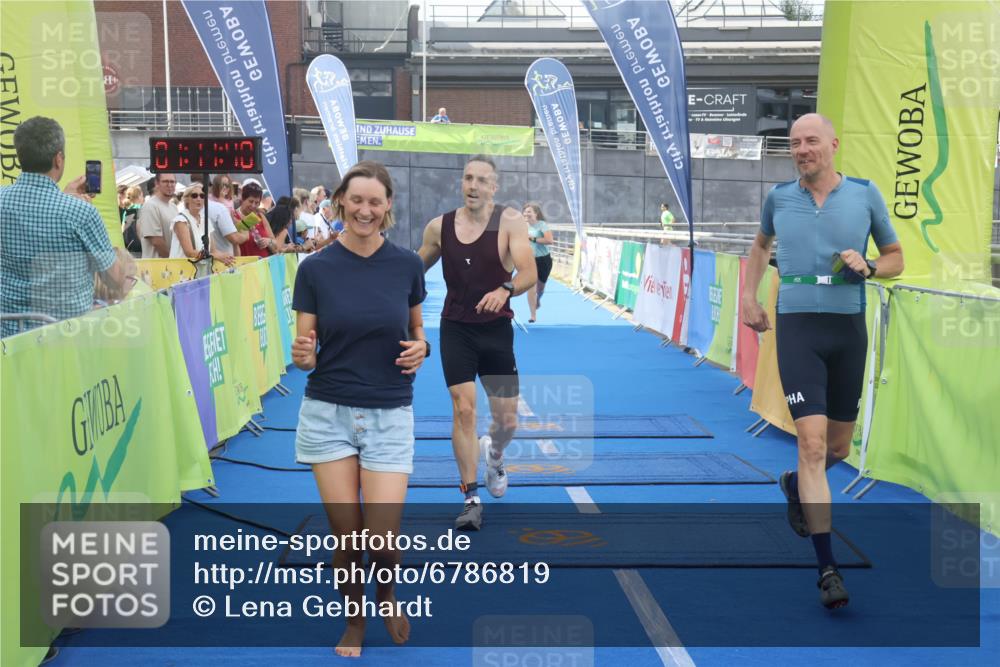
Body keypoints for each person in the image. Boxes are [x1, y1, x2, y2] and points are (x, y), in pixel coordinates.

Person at [740, 113, 904, 610]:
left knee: (837, 446)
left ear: (834, 144)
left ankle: (794, 485)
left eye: (811, 141)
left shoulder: (865, 194)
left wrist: (869, 265)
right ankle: (827, 568)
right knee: (810, 445)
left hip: (847, 329)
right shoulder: (778, 198)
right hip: (797, 328)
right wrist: (749, 297)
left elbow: (896, 258)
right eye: (794, 143)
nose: (802, 150)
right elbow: (760, 246)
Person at [291, 160, 426, 657]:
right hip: (328, 414)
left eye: (374, 201)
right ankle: (354, 620)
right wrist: (303, 356)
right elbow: (305, 351)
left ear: (388, 205)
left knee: (383, 539)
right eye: (356, 200)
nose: (364, 210)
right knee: (347, 537)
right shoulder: (315, 268)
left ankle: (386, 594)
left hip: (389, 413)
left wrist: (422, 348)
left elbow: (416, 329)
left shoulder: (407, 265)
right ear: (340, 203)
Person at [417, 155, 536, 530]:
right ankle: (470, 498)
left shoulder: (510, 221)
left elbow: (529, 271)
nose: (473, 185)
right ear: (461, 183)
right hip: (456, 328)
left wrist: (505, 289)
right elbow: (412, 270)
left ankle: (495, 455)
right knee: (464, 410)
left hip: (496, 330)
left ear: (494, 187)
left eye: (482, 180)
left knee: (506, 421)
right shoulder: (439, 227)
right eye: (468, 178)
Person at [0, 116, 124, 336]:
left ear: (20, 156)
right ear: (58, 159)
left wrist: (64, 198)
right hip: (65, 339)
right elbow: (115, 279)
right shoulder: (81, 212)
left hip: (9, 338)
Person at [523, 202, 553, 323]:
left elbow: (549, 240)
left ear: (536, 213)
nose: (526, 214)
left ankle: (538, 299)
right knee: (531, 287)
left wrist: (532, 238)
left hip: (544, 260)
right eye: (525, 211)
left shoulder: (542, 225)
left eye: (529, 211)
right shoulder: (522, 225)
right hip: (529, 260)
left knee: (540, 288)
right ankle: (533, 315)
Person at [137, 172, 178, 258]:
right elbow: (156, 241)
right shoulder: (150, 206)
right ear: (157, 184)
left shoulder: (174, 207)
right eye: (165, 181)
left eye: (172, 182)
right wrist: (171, 259)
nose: (169, 185)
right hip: (156, 264)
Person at [232, 182, 277, 258]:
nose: (253, 205)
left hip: (263, 262)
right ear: (243, 199)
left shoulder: (260, 216)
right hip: (245, 263)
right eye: (251, 201)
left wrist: (268, 241)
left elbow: (275, 243)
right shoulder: (234, 217)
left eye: (257, 203)